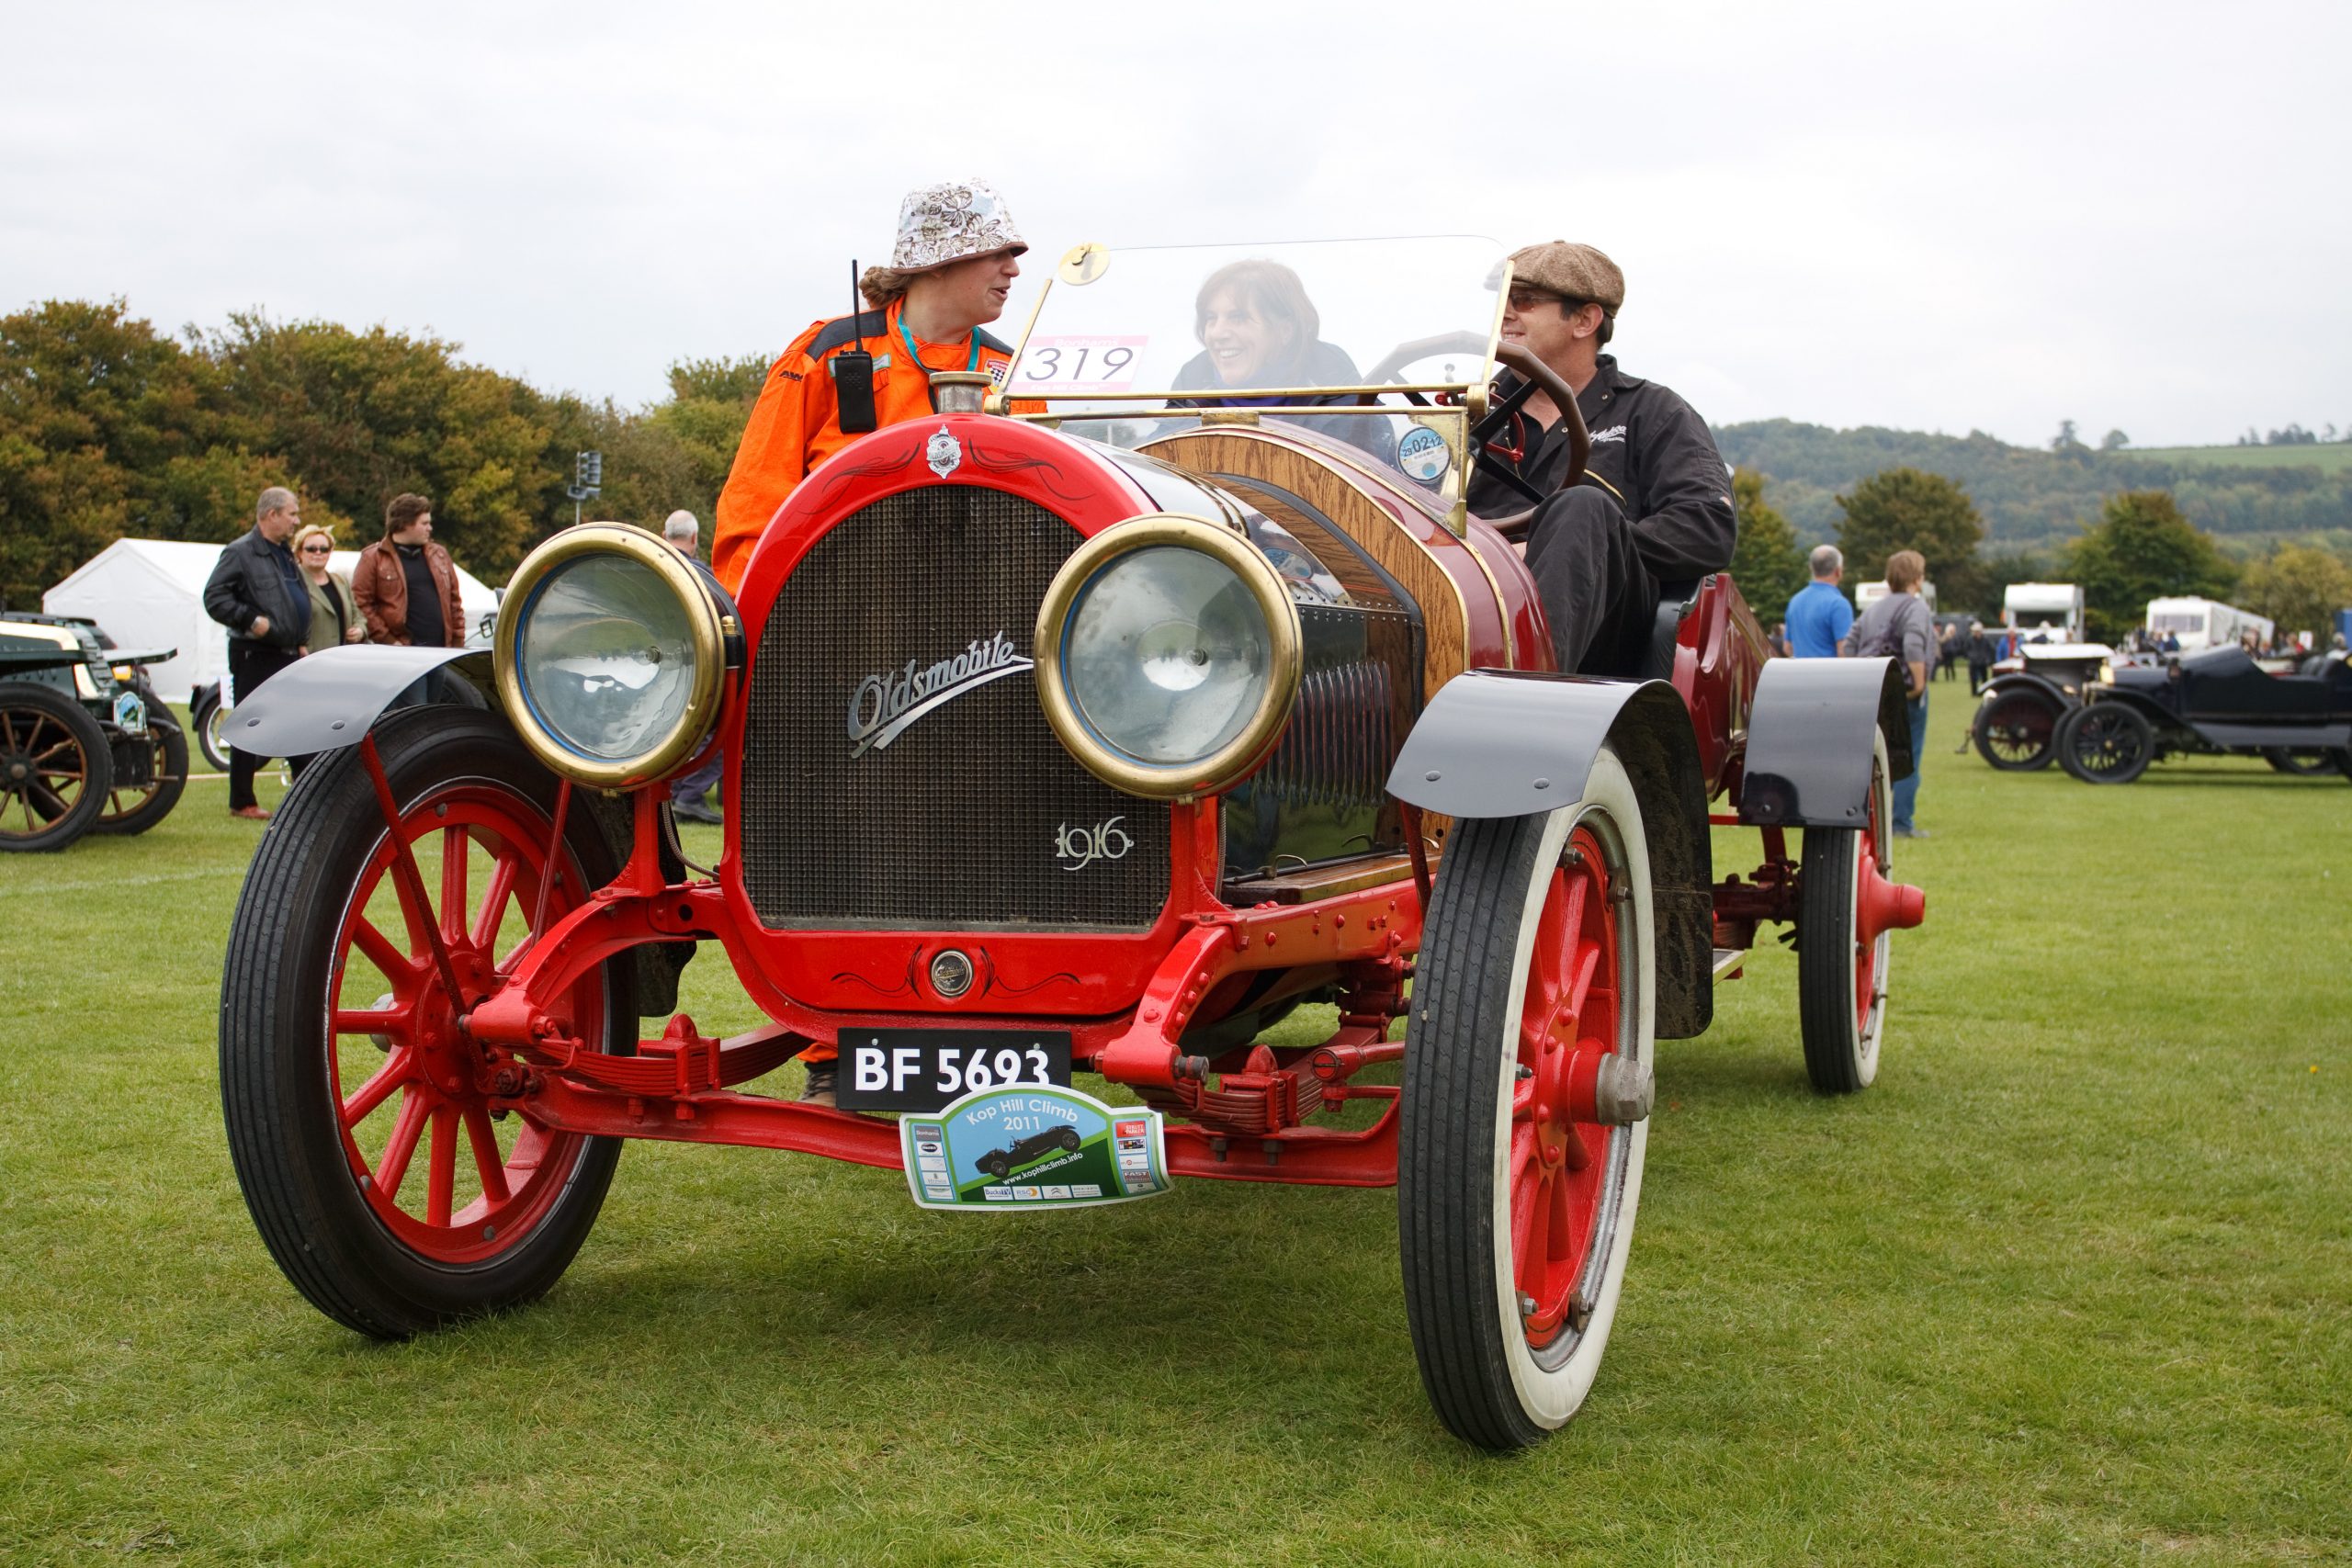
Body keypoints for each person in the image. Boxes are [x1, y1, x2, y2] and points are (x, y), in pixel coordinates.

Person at [713, 178, 1028, 593]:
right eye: (996, 252)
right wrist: (755, 623)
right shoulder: (823, 353)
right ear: (936, 260)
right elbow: (752, 510)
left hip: (981, 627)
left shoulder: (1016, 374)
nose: (1014, 268)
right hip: (837, 619)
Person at [1465, 242, 1736, 672]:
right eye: (1500, 302)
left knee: (1583, 506)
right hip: (1462, 599)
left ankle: (1525, 697)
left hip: (1608, 637)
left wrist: (1557, 544)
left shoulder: (1653, 411)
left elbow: (1707, 527)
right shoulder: (1458, 413)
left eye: (1524, 301)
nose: (1506, 315)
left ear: (1585, 320)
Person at [1164, 260, 1390, 457]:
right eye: (1211, 318)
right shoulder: (1182, 410)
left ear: (1285, 330)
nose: (1217, 333)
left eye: (1238, 317)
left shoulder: (1355, 415)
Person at [201, 486, 314, 819]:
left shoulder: (283, 552)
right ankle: (242, 801)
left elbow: (294, 599)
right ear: (271, 515)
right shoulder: (240, 552)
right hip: (254, 652)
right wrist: (251, 621)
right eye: (292, 514)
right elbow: (215, 597)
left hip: (287, 651)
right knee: (251, 722)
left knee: (298, 721)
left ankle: (307, 789)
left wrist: (299, 640)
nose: (297, 520)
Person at [1844, 549, 1936, 839]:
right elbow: (1913, 644)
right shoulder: (1916, 608)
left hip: (1872, 689)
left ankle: (1870, 818)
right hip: (1903, 691)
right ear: (1918, 579)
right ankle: (1900, 823)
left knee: (1876, 757)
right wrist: (1919, 683)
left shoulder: (1874, 608)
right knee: (1907, 756)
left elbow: (1850, 643)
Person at [353, 493, 465, 706]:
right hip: (404, 655)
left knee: (431, 712)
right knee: (417, 714)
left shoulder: (439, 554)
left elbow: (455, 603)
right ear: (405, 523)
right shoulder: (373, 558)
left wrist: (457, 645)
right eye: (424, 523)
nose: (430, 528)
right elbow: (361, 603)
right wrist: (389, 640)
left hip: (440, 653)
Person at [662, 509, 723, 826]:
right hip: (698, 669)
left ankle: (675, 793)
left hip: (660, 670)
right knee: (717, 735)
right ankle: (689, 796)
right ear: (696, 538)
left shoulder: (654, 571)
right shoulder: (703, 576)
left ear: (664, 536)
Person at [291, 524, 364, 654]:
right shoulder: (293, 583)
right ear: (299, 552)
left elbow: (357, 615)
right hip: (309, 659)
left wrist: (359, 630)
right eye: (311, 549)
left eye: (324, 549)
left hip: (342, 658)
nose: (318, 553)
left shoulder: (341, 581)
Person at [1785, 545, 1853, 658]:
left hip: (1799, 674)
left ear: (1811, 568)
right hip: (1829, 674)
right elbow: (1844, 652)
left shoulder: (1794, 601)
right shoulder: (1839, 604)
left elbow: (1787, 648)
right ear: (1838, 571)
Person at [1966, 621, 1995, 694]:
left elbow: (1990, 650)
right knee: (1973, 678)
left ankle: (1984, 692)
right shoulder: (1970, 640)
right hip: (1973, 662)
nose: (1976, 633)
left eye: (1978, 631)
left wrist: (1988, 659)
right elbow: (1966, 650)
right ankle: (1974, 692)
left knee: (1984, 678)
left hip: (1983, 662)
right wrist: (1971, 656)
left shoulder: (1986, 640)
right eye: (1975, 631)